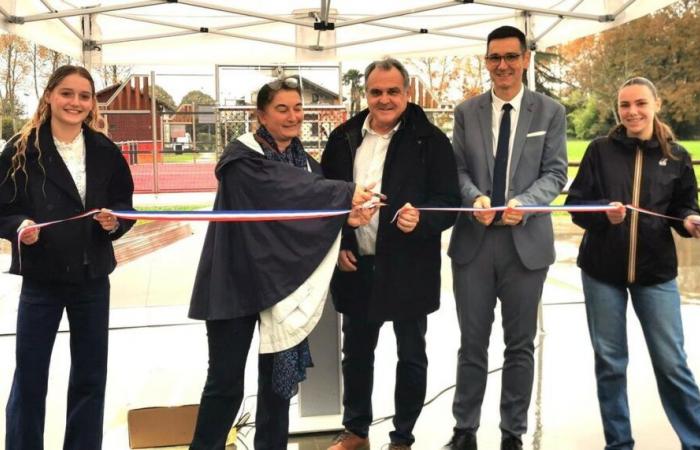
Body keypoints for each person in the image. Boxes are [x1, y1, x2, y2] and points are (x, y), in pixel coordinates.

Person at [187, 78, 376, 450]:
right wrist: (343, 192)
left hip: (282, 288)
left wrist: (346, 218)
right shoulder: (241, 157)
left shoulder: (307, 165)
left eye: (297, 108)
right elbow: (280, 187)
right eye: (282, 108)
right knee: (225, 383)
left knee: (277, 386)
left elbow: (315, 212)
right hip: (234, 282)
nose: (293, 116)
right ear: (261, 115)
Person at [321, 58, 460, 450]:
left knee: (411, 355)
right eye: (376, 92)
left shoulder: (431, 141)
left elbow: (449, 203)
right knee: (357, 354)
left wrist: (424, 220)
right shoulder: (344, 137)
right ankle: (356, 430)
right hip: (357, 266)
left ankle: (402, 437)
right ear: (365, 94)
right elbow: (328, 199)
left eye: (392, 91)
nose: (384, 100)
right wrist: (342, 244)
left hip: (409, 268)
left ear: (407, 93)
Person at [0, 65, 135, 450]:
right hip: (42, 279)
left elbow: (124, 205)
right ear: (49, 97)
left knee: (91, 376)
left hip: (92, 279)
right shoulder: (22, 149)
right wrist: (19, 226)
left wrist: (114, 223)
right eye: (67, 93)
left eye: (84, 96)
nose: (75, 102)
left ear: (92, 103)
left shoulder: (105, 150)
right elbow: (2, 209)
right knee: (30, 376)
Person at [446, 26, 568, 450]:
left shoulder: (550, 112)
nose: (503, 66)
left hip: (526, 245)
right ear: (486, 61)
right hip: (474, 244)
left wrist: (527, 203)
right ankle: (464, 429)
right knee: (472, 344)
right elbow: (456, 171)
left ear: (526, 60)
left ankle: (512, 433)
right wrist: (474, 197)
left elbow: (556, 172)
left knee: (520, 346)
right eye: (494, 58)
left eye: (510, 57)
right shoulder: (467, 112)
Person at [565, 76, 700, 450]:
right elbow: (576, 204)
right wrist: (601, 215)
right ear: (618, 110)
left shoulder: (677, 156)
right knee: (610, 363)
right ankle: (619, 443)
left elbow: (684, 208)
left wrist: (690, 221)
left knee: (672, 363)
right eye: (625, 105)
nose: (632, 112)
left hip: (656, 273)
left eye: (640, 103)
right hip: (601, 272)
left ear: (656, 105)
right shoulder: (599, 150)